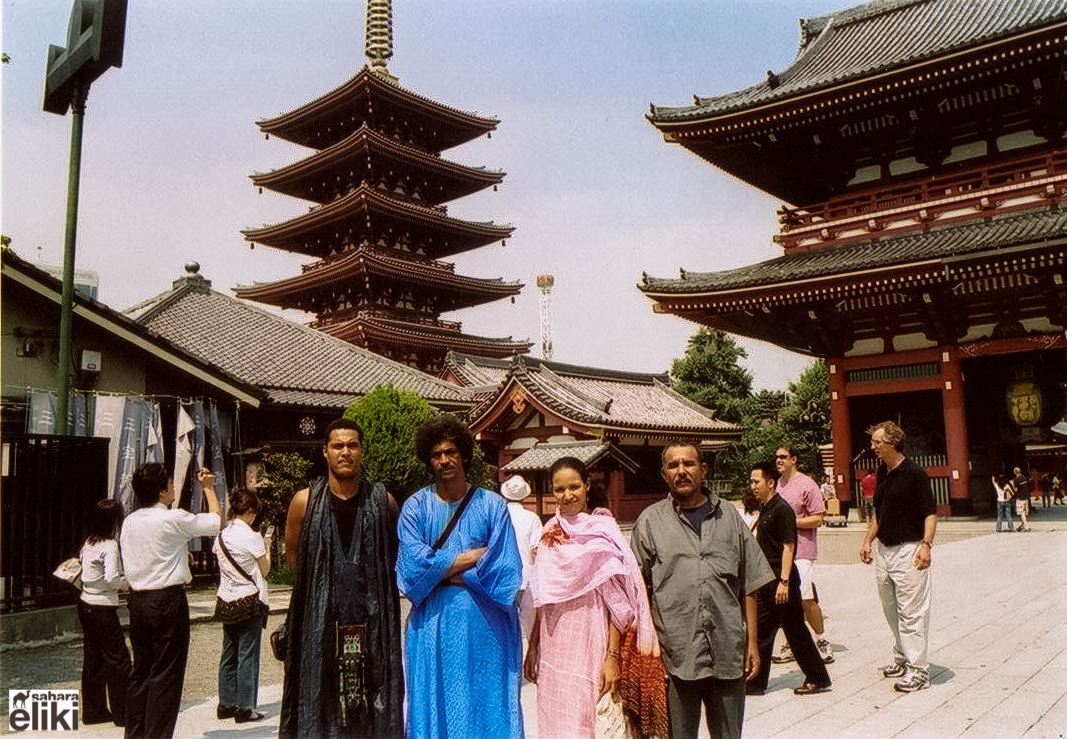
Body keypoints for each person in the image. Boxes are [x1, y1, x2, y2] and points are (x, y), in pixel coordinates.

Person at [630, 442, 774, 739]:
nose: (682, 471)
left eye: (689, 464)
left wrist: (751, 644)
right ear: (663, 474)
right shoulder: (649, 522)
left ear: (703, 470)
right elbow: (636, 591)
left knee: (729, 733)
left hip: (727, 647)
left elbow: (749, 582)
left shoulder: (730, 518)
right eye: (673, 466)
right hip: (674, 653)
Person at [397, 414, 524, 738]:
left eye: (450, 452)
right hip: (432, 626)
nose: (444, 460)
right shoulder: (415, 508)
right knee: (435, 701)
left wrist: (437, 571)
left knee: (487, 702)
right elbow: (411, 571)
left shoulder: (492, 506)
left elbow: (504, 572)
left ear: (464, 454)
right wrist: (469, 558)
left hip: (486, 625)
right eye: (436, 454)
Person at [280, 418, 404, 738]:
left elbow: (391, 558)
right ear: (325, 452)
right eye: (338, 446)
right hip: (319, 626)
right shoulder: (304, 503)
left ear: (362, 452)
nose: (345, 452)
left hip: (370, 624)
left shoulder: (382, 502)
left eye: (352, 446)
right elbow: (295, 560)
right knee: (319, 704)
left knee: (367, 709)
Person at [523, 457, 660, 739]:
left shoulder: (603, 531)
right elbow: (542, 597)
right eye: (559, 489)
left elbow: (616, 605)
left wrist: (611, 657)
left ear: (587, 485)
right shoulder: (548, 533)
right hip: (554, 642)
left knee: (592, 714)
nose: (567, 495)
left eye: (574, 486)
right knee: (556, 715)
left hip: (591, 636)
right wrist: (533, 645)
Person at [120, 463, 220, 738]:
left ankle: (135, 734)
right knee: (166, 674)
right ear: (163, 490)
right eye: (170, 484)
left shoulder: (130, 521)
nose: (173, 488)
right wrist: (209, 489)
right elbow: (214, 523)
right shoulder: (172, 518)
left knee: (141, 670)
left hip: (139, 600)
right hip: (167, 599)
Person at [859, 421, 937, 693]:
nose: (873, 447)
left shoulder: (915, 474)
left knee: (912, 612)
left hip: (909, 548)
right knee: (890, 609)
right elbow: (879, 513)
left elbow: (930, 513)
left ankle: (919, 671)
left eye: (877, 442)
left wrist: (926, 545)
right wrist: (868, 540)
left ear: (893, 443)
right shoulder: (882, 472)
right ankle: (902, 657)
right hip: (884, 550)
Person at [746, 461, 832, 696]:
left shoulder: (782, 509)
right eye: (751, 482)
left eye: (756, 481)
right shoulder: (766, 507)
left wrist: (784, 582)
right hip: (765, 580)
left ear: (770, 482)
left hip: (780, 580)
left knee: (795, 631)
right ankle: (754, 681)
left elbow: (788, 546)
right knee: (761, 632)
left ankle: (818, 678)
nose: (752, 486)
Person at [213, 487, 271, 724]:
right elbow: (265, 570)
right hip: (249, 599)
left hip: (226, 598)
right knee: (248, 653)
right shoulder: (252, 536)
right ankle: (246, 707)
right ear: (249, 511)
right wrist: (266, 547)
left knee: (229, 652)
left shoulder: (221, 536)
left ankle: (226, 703)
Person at [772, 445, 833, 665]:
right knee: (785, 600)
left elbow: (818, 518)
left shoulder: (807, 484)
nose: (778, 460)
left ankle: (821, 641)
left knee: (806, 597)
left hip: (803, 550)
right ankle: (791, 643)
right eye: (777, 457)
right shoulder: (777, 485)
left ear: (794, 459)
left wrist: (791, 523)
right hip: (781, 552)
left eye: (783, 457)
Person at [77, 498, 132, 727]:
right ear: (115, 521)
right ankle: (124, 713)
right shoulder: (110, 545)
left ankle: (93, 710)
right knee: (118, 659)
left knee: (93, 658)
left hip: (85, 603)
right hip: (103, 607)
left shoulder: (89, 543)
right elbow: (111, 579)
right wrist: (124, 584)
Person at [500, 474, 544, 641]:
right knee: (527, 628)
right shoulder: (532, 518)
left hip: (503, 578)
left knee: (505, 628)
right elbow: (536, 550)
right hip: (527, 577)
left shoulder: (499, 516)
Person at [1013, 467, 1031, 532]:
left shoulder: (1016, 480)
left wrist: (1012, 484)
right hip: (1026, 497)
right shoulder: (1024, 477)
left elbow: (1015, 489)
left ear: (1014, 472)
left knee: (1022, 512)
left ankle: (1026, 527)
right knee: (1025, 512)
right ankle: (1022, 526)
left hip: (1020, 497)